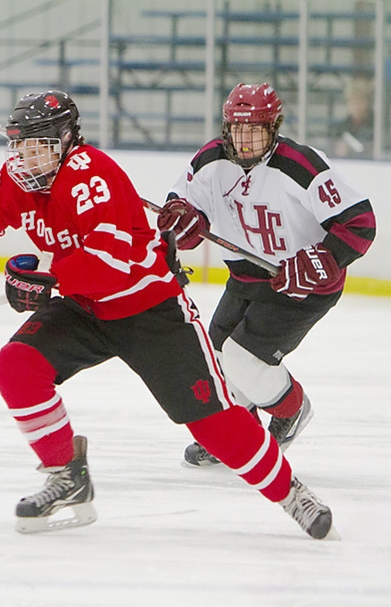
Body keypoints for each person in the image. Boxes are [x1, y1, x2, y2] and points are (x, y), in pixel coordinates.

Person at [0, 89, 335, 539]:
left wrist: (45, 276)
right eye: (19, 146)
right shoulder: (14, 181)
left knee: (214, 426)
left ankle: (291, 492)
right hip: (83, 307)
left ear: (66, 141)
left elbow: (109, 263)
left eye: (38, 146)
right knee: (17, 365)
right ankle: (66, 475)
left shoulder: (93, 176)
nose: (25, 158)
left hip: (149, 310)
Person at [158, 83, 375, 467]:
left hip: (302, 286)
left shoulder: (301, 165)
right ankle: (240, 431)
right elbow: (183, 206)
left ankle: (291, 411)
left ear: (274, 127)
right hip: (245, 277)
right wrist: (184, 221)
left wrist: (321, 259)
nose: (246, 140)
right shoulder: (210, 160)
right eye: (238, 130)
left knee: (245, 360)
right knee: (219, 360)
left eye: (256, 129)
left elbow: (359, 223)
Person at [329, 77, 374, 158]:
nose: (357, 106)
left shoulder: (377, 128)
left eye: (361, 100)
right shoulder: (339, 129)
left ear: (368, 102)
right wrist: (337, 150)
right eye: (353, 101)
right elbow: (330, 152)